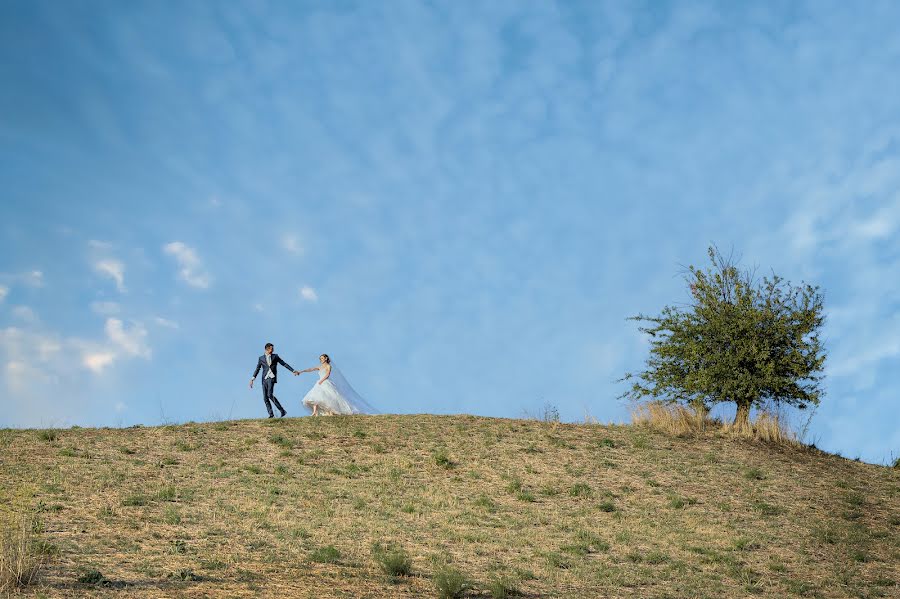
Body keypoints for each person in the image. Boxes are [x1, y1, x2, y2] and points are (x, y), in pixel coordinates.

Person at [298, 354, 377, 416]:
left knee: (328, 397)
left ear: (326, 358)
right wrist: (301, 371)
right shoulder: (319, 367)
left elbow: (328, 374)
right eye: (320, 359)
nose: (321, 360)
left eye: (322, 358)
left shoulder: (328, 366)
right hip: (319, 383)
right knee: (314, 396)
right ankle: (315, 412)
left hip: (325, 382)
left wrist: (322, 380)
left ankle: (330, 411)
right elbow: (310, 369)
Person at [249, 343, 299, 418]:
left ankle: (282, 410)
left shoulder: (275, 356)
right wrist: (252, 379)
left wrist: (293, 370)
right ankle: (271, 414)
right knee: (265, 398)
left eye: (273, 349)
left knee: (269, 394)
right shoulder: (261, 358)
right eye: (271, 349)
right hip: (264, 379)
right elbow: (257, 368)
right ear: (267, 349)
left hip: (271, 378)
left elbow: (284, 364)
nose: (273, 350)